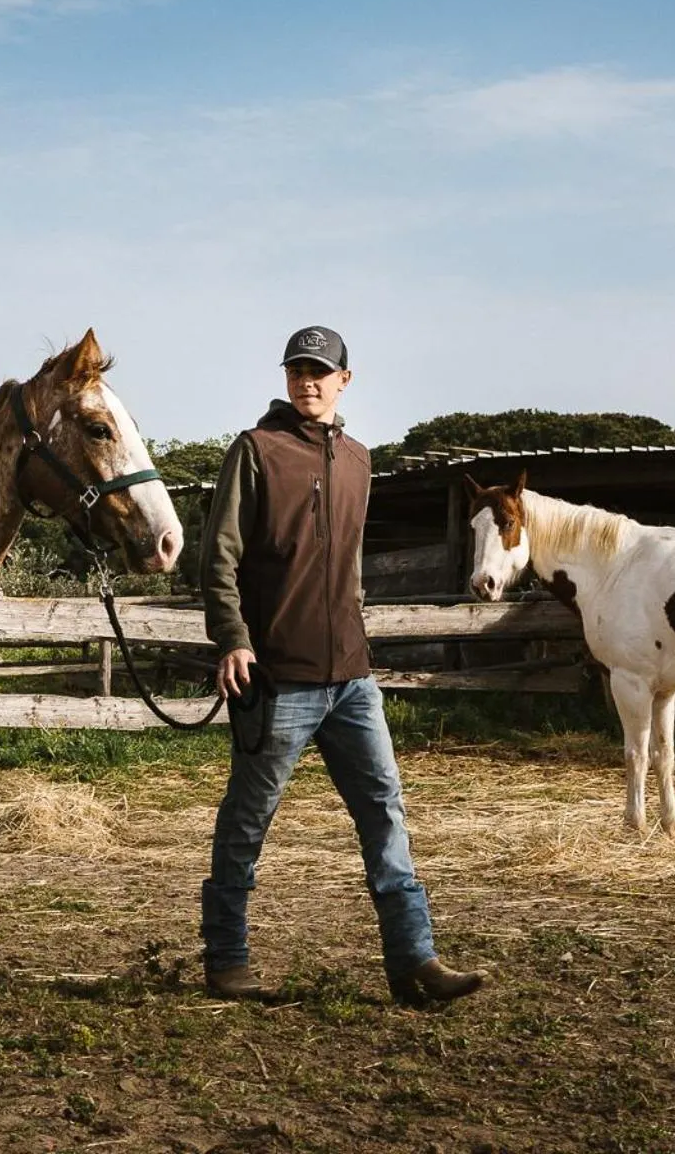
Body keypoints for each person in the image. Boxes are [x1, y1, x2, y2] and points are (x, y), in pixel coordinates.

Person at [198, 325, 487, 1006]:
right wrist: (233, 638)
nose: (308, 380)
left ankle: (414, 961)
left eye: (320, 370)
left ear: (344, 380)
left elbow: (349, 564)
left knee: (384, 809)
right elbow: (219, 557)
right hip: (279, 677)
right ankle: (227, 959)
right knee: (248, 818)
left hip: (353, 680)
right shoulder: (256, 451)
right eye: (298, 369)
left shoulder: (359, 460)